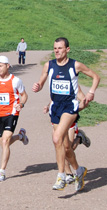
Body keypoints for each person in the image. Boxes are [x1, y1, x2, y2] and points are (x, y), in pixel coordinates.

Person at [31, 37, 100, 192]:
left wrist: (91, 93)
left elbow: (96, 77)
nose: (57, 51)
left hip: (70, 107)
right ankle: (78, 170)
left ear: (67, 49)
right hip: (55, 107)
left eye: (60, 48)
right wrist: (38, 86)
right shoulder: (49, 65)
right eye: (55, 48)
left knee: (56, 139)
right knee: (66, 146)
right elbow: (41, 82)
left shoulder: (75, 65)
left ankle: (61, 175)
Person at [0, 55, 29, 182]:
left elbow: (24, 95)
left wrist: (21, 104)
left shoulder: (15, 81)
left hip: (12, 113)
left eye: (1, 66)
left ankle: (2, 172)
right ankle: (21, 136)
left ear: (7, 66)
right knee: (4, 143)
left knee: (5, 142)